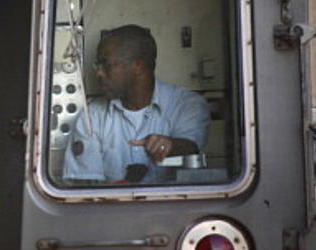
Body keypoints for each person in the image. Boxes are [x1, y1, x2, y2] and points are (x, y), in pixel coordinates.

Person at [62, 24, 211, 184]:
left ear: (138, 66)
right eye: (98, 65)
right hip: (114, 208)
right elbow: (85, 188)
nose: (99, 72)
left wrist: (170, 146)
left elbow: (191, 146)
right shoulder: (92, 116)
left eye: (106, 64)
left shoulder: (187, 104)